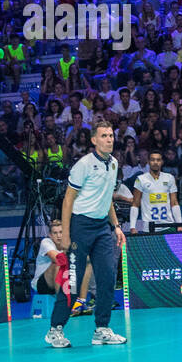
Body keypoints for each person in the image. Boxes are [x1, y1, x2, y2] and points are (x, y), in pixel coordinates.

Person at [48, 122, 127, 347]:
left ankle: (101, 329)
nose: (109, 139)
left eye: (111, 135)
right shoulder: (83, 165)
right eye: (104, 136)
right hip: (80, 226)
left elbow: (107, 198)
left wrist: (116, 226)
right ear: (94, 140)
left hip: (103, 227)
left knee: (107, 278)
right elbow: (68, 200)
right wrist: (65, 234)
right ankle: (55, 329)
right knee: (72, 282)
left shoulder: (113, 164)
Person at [131, 150, 182, 232]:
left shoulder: (170, 178)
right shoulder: (141, 179)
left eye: (158, 160)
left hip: (168, 226)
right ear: (148, 162)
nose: (155, 162)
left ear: (162, 162)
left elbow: (174, 202)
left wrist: (179, 224)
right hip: (149, 228)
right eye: (152, 160)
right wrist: (132, 227)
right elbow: (135, 204)